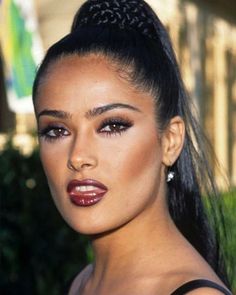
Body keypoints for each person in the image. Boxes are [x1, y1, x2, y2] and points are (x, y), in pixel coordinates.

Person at [32, 0, 233, 294]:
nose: (78, 157)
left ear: (170, 140)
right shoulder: (83, 283)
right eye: (57, 130)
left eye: (112, 126)